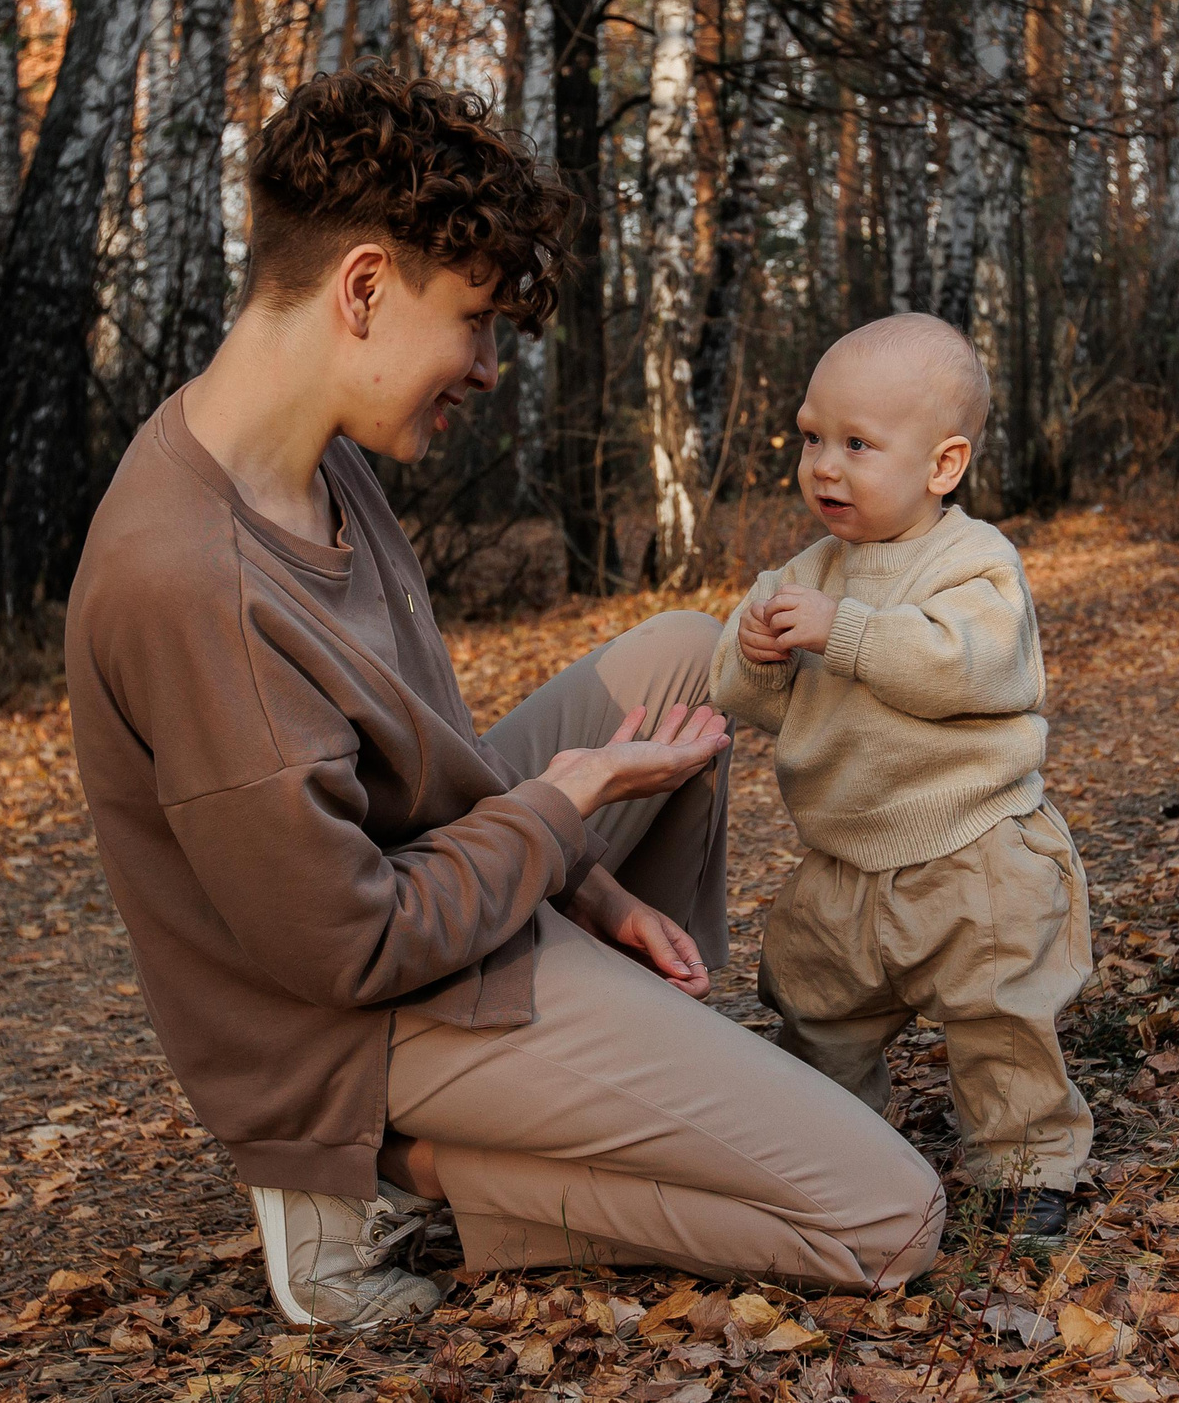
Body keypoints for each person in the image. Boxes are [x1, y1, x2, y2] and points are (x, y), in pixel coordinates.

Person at [64, 68, 944, 1329]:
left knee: (686, 660)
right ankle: (385, 1180)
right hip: (348, 1028)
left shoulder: (316, 467)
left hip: (444, 903)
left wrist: (583, 880)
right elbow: (348, 947)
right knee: (886, 1213)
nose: (483, 367)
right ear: (363, 288)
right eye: (473, 320)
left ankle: (645, 1065)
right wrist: (564, 808)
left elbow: (436, 779)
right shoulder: (189, 580)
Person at [710, 314, 1095, 1243]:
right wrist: (758, 648)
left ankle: (1026, 1169)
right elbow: (742, 696)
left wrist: (842, 631)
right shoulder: (809, 570)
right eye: (810, 437)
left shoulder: (972, 562)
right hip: (841, 864)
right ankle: (835, 1155)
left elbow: (975, 666)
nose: (824, 466)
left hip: (973, 853)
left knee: (999, 1020)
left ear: (943, 465)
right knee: (813, 1013)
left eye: (856, 444)